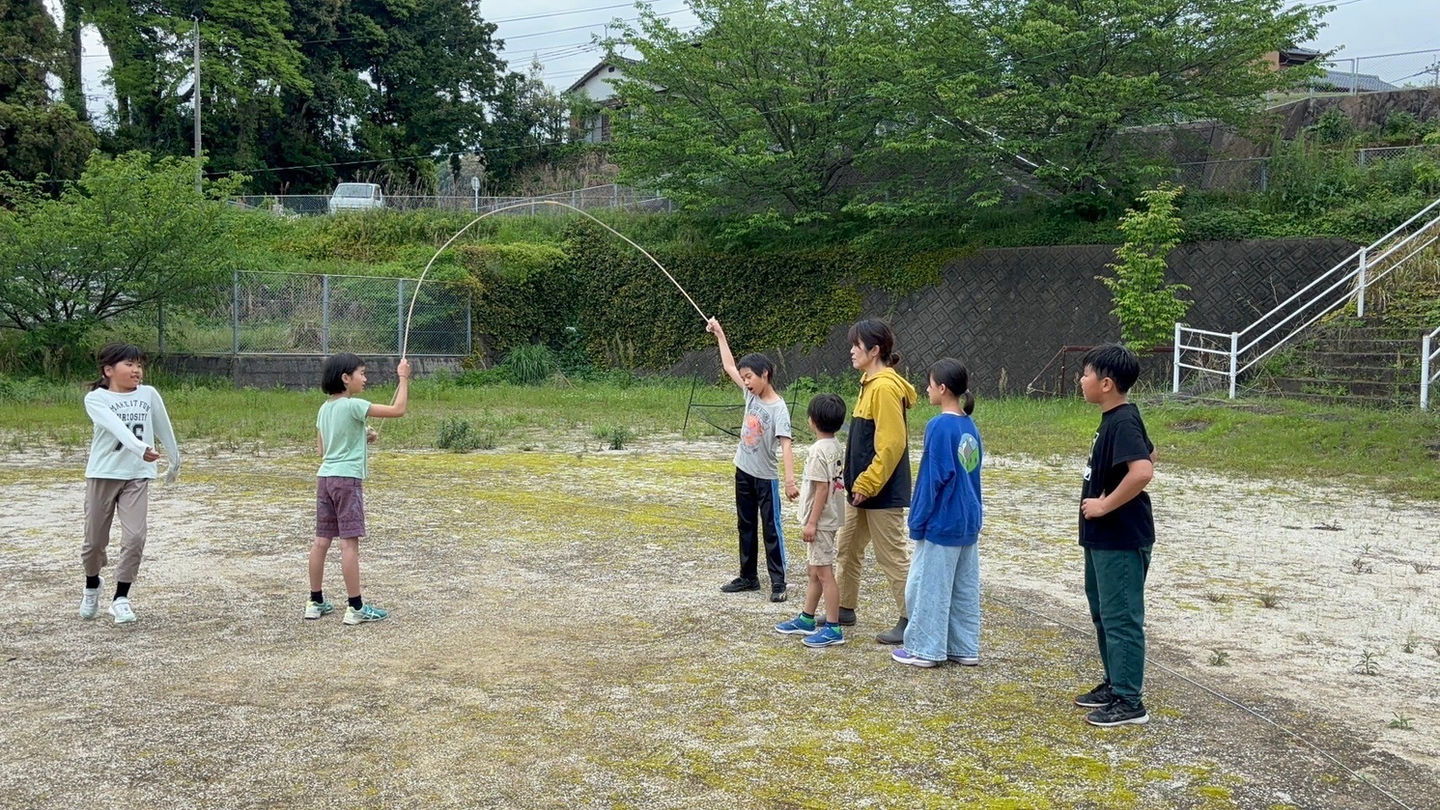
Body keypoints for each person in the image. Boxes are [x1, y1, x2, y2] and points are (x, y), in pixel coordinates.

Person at [1072, 343, 1156, 727]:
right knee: (1103, 613)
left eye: (1086, 374)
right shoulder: (1116, 418)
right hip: (1102, 538)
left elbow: (1142, 470)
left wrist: (1105, 505)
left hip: (1120, 536)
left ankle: (1129, 700)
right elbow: (1151, 455)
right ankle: (1114, 682)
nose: (1081, 380)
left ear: (1106, 383)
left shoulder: (1122, 420)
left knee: (1121, 616)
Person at [891, 359, 984, 668]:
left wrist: (917, 520)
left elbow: (933, 478)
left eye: (930, 384)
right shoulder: (969, 425)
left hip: (942, 521)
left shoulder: (939, 426)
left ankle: (925, 649)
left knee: (926, 586)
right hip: (968, 521)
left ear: (942, 388)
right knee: (962, 589)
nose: (927, 389)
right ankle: (963, 647)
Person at [79, 343, 180, 625]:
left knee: (135, 537)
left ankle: (120, 597)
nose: (136, 371)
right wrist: (139, 447)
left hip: (137, 474)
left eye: (139, 365)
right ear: (108, 370)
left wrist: (175, 458)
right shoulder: (96, 399)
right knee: (94, 542)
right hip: (103, 473)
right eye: (129, 365)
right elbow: (115, 427)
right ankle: (91, 584)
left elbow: (163, 425)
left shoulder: (149, 394)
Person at [307, 353, 411, 625]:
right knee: (349, 544)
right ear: (345, 378)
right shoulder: (354, 406)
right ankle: (355, 608)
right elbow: (398, 410)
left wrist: (362, 436)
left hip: (325, 479)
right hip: (347, 481)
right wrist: (403, 377)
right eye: (361, 373)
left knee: (321, 541)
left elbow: (322, 450)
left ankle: (314, 602)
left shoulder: (324, 408)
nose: (365, 378)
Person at [834, 319, 917, 644]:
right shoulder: (869, 382)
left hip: (879, 490)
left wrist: (867, 483)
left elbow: (892, 444)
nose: (852, 350)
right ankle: (843, 606)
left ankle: (913, 619)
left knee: (892, 555)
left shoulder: (884, 387)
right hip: (861, 490)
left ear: (875, 350)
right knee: (848, 546)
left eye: (858, 345)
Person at [707, 318, 798, 602]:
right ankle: (748, 577)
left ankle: (778, 583)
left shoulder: (778, 408)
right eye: (744, 378)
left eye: (750, 377)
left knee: (771, 528)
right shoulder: (750, 396)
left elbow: (785, 445)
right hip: (743, 469)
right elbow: (729, 366)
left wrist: (790, 480)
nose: (745, 382)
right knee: (745, 524)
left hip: (766, 477)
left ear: (765, 374)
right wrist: (720, 334)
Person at [774, 393, 848, 647]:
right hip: (831, 518)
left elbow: (822, 489)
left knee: (824, 573)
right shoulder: (837, 446)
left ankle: (833, 627)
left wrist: (811, 522)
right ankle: (807, 617)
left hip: (821, 521)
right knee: (814, 570)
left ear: (812, 421)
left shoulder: (818, 451)